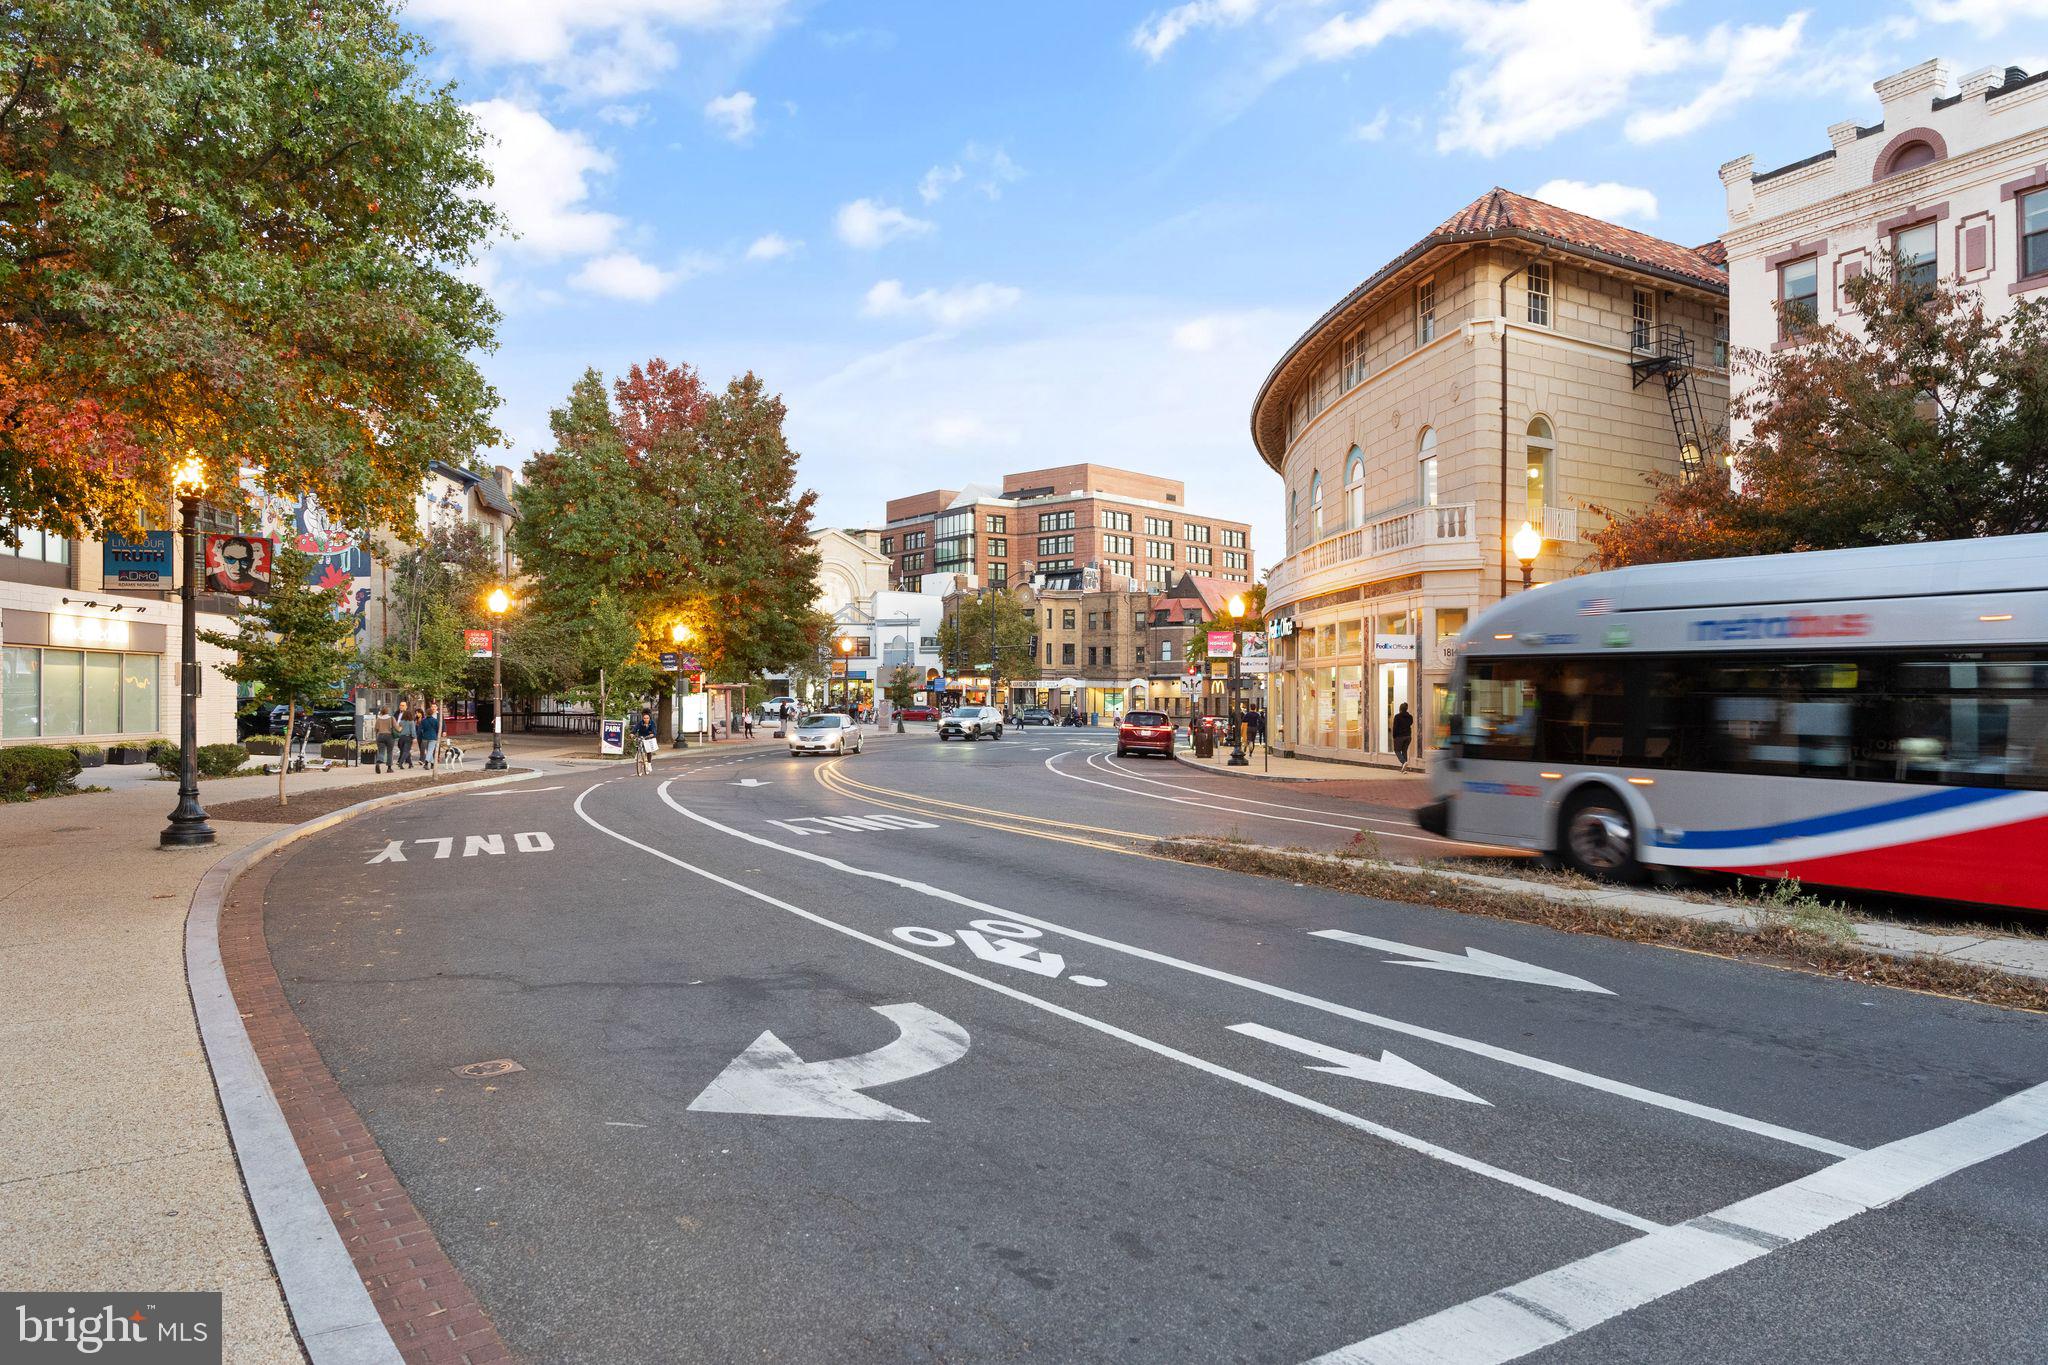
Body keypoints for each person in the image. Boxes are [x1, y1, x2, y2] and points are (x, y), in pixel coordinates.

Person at [631, 706, 658, 776]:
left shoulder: (652, 723)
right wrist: (632, 733)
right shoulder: (640, 723)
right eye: (644, 718)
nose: (646, 719)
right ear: (643, 718)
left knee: (648, 750)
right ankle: (638, 754)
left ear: (649, 718)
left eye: (647, 718)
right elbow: (635, 728)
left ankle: (649, 764)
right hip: (641, 736)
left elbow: (654, 730)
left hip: (649, 737)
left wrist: (652, 734)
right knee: (638, 743)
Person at [418, 703, 442, 772]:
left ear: (426, 713)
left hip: (425, 737)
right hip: (433, 737)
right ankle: (426, 763)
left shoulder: (423, 721)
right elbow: (438, 729)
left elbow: (421, 729)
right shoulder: (435, 721)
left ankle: (432, 763)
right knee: (430, 751)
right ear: (432, 713)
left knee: (429, 751)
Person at [373, 704, 396, 773]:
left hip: (380, 736)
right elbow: (396, 727)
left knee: (381, 751)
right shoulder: (391, 718)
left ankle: (378, 762)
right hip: (389, 736)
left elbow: (376, 729)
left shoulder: (378, 718)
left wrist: (377, 735)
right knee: (389, 752)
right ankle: (389, 768)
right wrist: (400, 729)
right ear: (388, 711)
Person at [1392, 702, 1415, 772]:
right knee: (1404, 751)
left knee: (1397, 750)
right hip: (1408, 736)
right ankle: (1404, 769)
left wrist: (1394, 736)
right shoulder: (1410, 717)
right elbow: (1410, 723)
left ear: (1400, 709)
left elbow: (1395, 727)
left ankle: (1404, 762)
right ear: (1406, 709)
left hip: (1399, 737)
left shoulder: (1397, 717)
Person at [396, 703, 417, 769]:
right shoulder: (411, 722)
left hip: (401, 738)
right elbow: (413, 731)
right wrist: (414, 737)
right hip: (408, 737)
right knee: (406, 751)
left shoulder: (401, 722)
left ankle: (410, 764)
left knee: (404, 751)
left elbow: (399, 730)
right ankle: (400, 763)